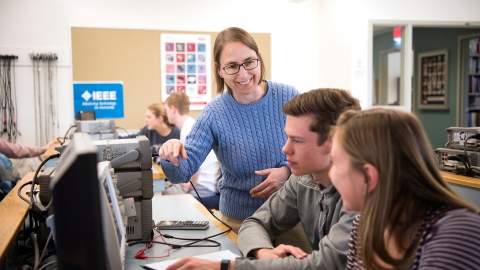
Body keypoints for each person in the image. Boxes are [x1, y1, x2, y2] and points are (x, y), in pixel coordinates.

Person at [165, 88, 361, 270]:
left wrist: (224, 267)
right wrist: (264, 253)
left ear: (333, 143)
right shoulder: (301, 180)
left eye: (298, 141)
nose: (285, 149)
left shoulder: (361, 195)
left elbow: (324, 264)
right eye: (287, 138)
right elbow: (255, 223)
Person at [159, 27, 299, 232]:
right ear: (219, 69)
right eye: (232, 66)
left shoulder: (288, 96)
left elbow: (314, 148)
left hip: (291, 216)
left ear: (259, 58)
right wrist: (170, 153)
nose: (243, 74)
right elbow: (181, 174)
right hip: (239, 220)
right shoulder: (213, 113)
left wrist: (287, 171)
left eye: (250, 62)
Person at [329, 108, 480, 269]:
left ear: (369, 177)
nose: (331, 174)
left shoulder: (457, 234)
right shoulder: (363, 225)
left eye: (335, 163)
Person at [163, 92, 221, 207]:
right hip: (209, 183)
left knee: (163, 193)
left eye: (166, 110)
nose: (166, 113)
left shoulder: (189, 129)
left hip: (203, 188)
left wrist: (189, 185)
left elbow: (196, 166)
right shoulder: (191, 125)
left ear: (173, 109)